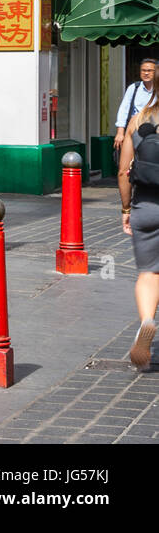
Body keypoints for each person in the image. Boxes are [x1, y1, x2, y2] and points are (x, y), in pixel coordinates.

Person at [117, 93, 159, 368]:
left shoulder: (138, 119)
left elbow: (123, 172)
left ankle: (147, 321)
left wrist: (126, 210)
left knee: (148, 272)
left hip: (146, 206)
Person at [114, 59, 158, 156]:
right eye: (143, 70)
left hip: (155, 131)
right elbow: (123, 110)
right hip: (135, 130)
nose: (146, 73)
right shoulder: (134, 88)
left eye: (150, 71)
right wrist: (120, 133)